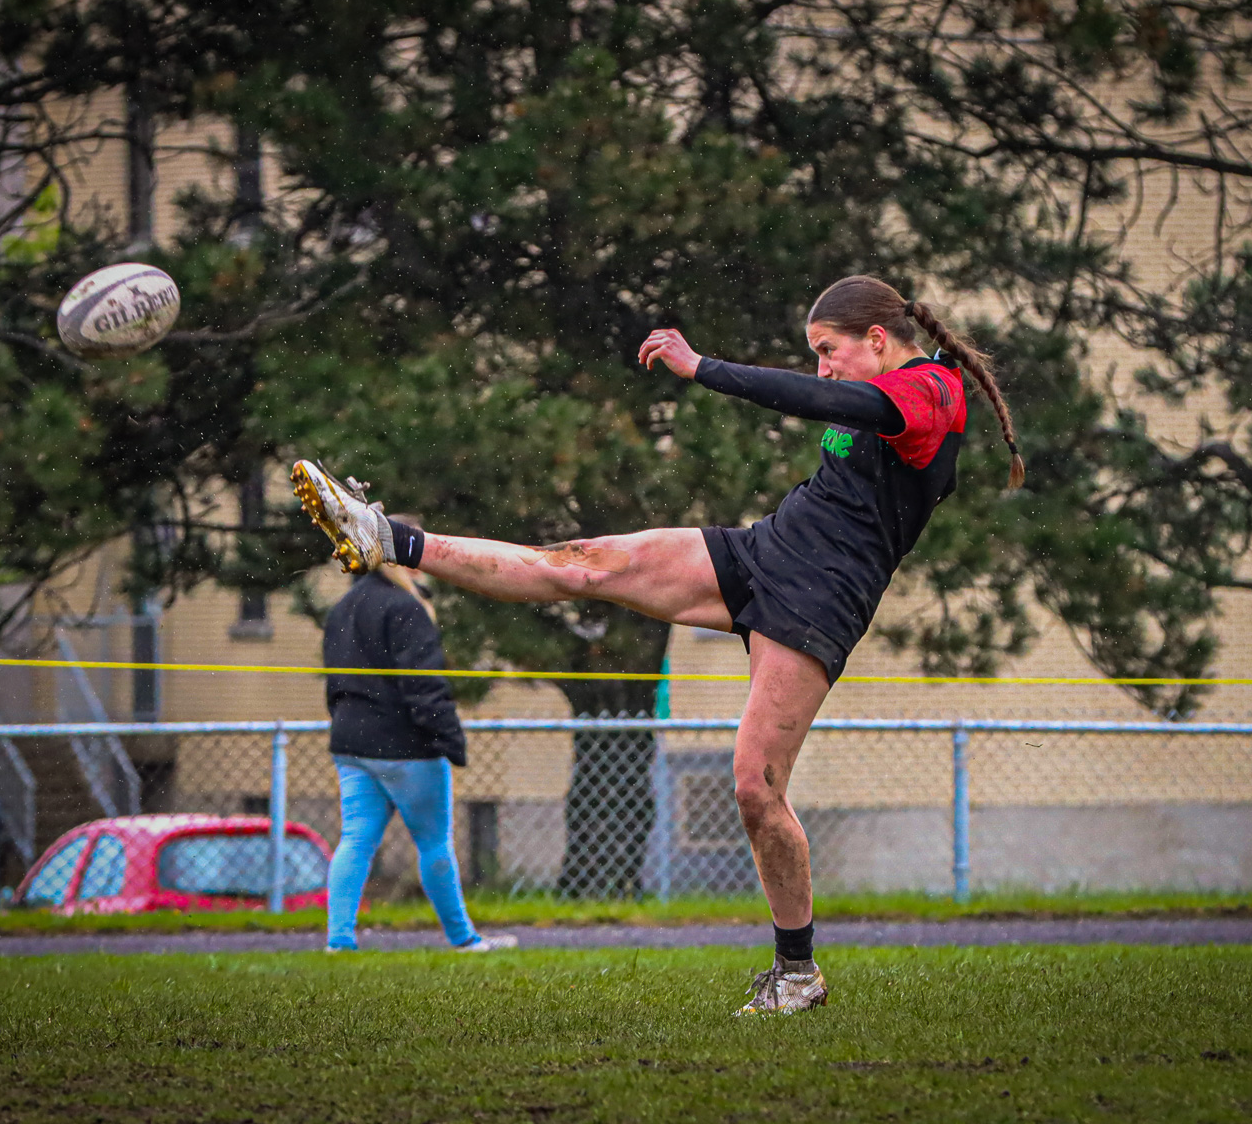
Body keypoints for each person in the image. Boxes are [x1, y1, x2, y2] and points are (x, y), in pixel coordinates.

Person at [292, 275, 1022, 1010]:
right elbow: (837, 406)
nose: (822, 369)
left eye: (828, 352)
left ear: (876, 339)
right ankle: (388, 537)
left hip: (820, 598)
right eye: (815, 356)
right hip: (765, 552)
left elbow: (838, 402)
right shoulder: (880, 386)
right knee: (583, 563)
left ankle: (797, 973)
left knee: (754, 789)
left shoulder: (934, 389)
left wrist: (704, 369)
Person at [321, 555, 518, 954]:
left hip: (351, 743)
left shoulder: (343, 607)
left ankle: (339, 941)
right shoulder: (406, 608)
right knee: (433, 843)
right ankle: (464, 939)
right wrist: (450, 740)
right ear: (408, 561)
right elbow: (423, 684)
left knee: (356, 840)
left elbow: (336, 678)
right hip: (404, 745)